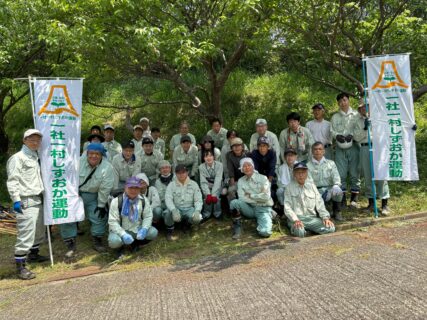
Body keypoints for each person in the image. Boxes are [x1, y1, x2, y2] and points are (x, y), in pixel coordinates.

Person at [60, 143, 114, 257]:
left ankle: (97, 240)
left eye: (97, 154)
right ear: (87, 154)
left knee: (99, 216)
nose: (93, 156)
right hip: (74, 194)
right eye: (91, 153)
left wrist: (101, 204)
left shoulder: (107, 167)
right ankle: (70, 243)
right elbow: (67, 177)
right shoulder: (77, 162)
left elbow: (105, 188)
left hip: (93, 195)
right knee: (67, 216)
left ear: (101, 155)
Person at [7, 129, 47, 280]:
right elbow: (12, 180)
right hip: (25, 200)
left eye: (37, 139)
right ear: (24, 140)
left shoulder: (35, 156)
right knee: (26, 234)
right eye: (31, 139)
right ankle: (20, 267)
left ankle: (34, 255)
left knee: (38, 231)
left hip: (37, 199)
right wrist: (16, 199)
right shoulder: (18, 158)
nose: (35, 142)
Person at [353, 103, 390, 215]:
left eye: (367, 106)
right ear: (359, 109)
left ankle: (384, 205)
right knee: (368, 175)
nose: (364, 109)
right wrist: (365, 128)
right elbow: (356, 137)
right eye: (362, 107)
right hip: (364, 148)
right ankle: (371, 203)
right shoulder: (357, 121)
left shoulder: (379, 118)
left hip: (378, 148)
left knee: (381, 175)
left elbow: (387, 131)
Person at [108, 176, 158, 258]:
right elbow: (113, 222)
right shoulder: (116, 201)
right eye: (130, 187)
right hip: (122, 230)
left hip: (137, 229)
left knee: (153, 232)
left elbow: (148, 216)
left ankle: (136, 244)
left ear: (139, 189)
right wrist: (123, 234)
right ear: (125, 187)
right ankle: (120, 248)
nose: (133, 190)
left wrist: (144, 229)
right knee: (114, 241)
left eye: (136, 188)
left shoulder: (143, 200)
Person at [284, 162, 335, 237]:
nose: (301, 175)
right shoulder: (289, 187)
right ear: (294, 174)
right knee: (300, 232)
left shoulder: (312, 186)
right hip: (297, 218)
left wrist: (325, 217)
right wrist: (295, 220)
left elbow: (319, 203)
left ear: (307, 173)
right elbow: (287, 207)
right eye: (298, 173)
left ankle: (309, 231)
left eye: (303, 172)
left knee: (331, 228)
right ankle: (303, 231)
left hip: (311, 219)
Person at [229, 158, 274, 240]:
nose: (247, 168)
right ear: (242, 169)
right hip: (249, 208)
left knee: (265, 233)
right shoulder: (241, 181)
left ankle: (270, 214)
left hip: (263, 208)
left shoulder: (263, 178)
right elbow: (242, 198)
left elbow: (266, 197)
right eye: (244, 166)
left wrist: (251, 195)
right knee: (234, 203)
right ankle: (237, 228)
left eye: (249, 165)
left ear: (253, 167)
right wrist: (259, 196)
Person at [330, 92, 360, 208]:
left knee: (354, 172)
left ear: (349, 101)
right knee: (340, 174)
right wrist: (337, 135)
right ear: (338, 103)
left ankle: (354, 199)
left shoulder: (356, 115)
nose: (343, 103)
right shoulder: (335, 117)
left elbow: (359, 128)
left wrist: (352, 135)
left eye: (345, 100)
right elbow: (332, 131)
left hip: (354, 147)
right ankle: (342, 199)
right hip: (339, 148)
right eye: (340, 101)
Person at [306, 142, 344, 221]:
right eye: (315, 149)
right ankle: (324, 211)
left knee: (338, 191)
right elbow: (308, 182)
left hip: (329, 189)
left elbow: (336, 176)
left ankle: (337, 211)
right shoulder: (308, 165)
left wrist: (336, 185)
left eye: (320, 149)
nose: (317, 151)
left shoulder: (331, 163)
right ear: (312, 151)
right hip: (316, 190)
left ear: (324, 151)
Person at [164, 165, 203, 240]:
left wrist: (197, 210)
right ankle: (170, 230)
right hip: (177, 208)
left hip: (189, 209)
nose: (181, 174)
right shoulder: (171, 185)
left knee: (198, 218)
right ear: (175, 174)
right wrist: (173, 210)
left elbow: (198, 200)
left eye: (183, 172)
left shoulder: (194, 184)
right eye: (179, 173)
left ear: (187, 173)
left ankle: (191, 227)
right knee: (167, 213)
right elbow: (168, 199)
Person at [199, 150, 224, 220]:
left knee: (216, 197)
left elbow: (218, 180)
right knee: (206, 197)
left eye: (210, 156)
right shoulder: (201, 167)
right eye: (206, 156)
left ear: (214, 157)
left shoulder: (219, 165)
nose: (208, 158)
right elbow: (203, 182)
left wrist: (213, 194)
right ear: (204, 158)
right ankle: (206, 214)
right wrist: (208, 194)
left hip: (218, 185)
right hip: (207, 185)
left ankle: (217, 213)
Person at [154, 160, 174, 236]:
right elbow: (159, 196)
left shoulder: (175, 179)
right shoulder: (157, 182)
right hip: (162, 204)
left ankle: (170, 229)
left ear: (170, 169)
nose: (165, 169)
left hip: (173, 203)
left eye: (167, 167)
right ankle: (158, 225)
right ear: (159, 170)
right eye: (162, 168)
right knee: (156, 210)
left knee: (169, 212)